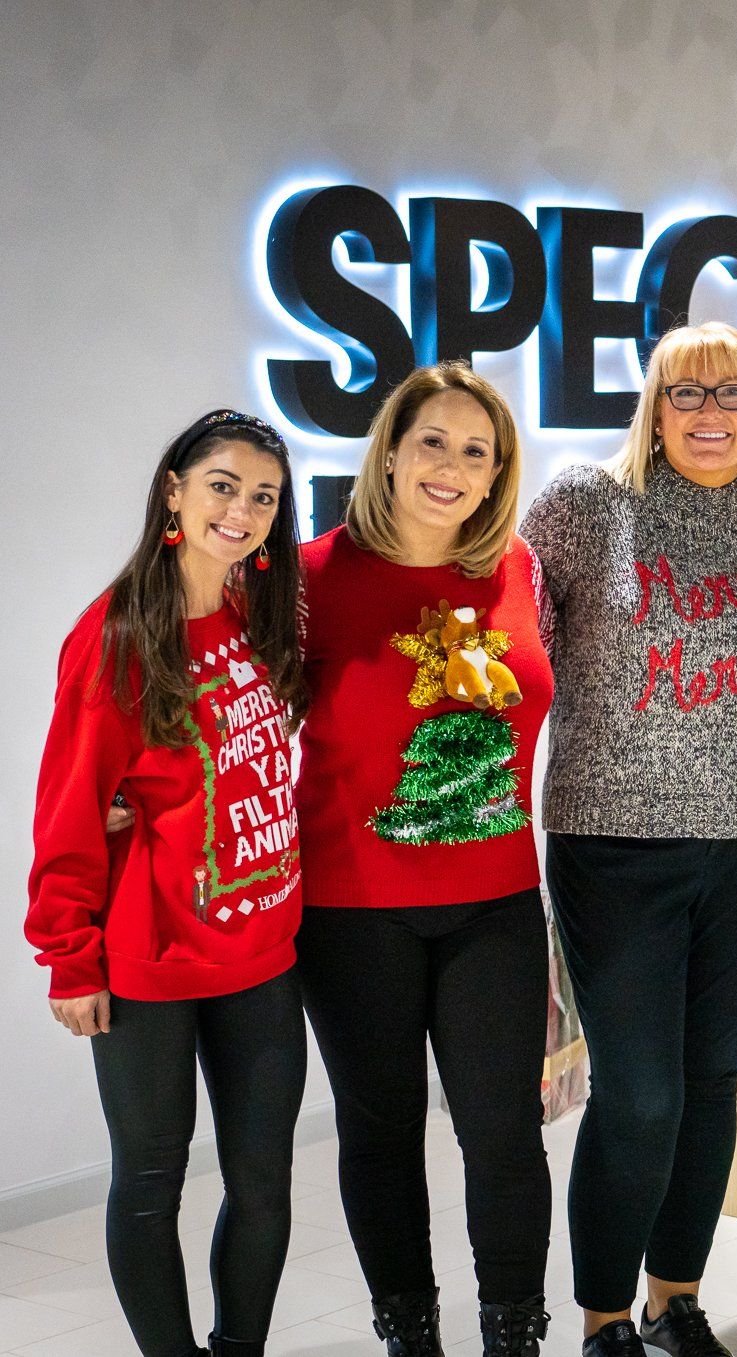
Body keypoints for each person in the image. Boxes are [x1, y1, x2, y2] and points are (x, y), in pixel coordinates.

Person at [520, 321, 737, 1357]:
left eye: (732, 393)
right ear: (654, 407)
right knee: (639, 1098)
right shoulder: (585, 504)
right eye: (686, 392)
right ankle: (604, 1317)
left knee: (710, 1086)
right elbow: (511, 651)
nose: (709, 412)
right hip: (615, 842)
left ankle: (673, 1301)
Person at [27, 410, 308, 1357]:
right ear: (174, 491)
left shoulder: (258, 613)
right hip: (151, 959)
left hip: (263, 952)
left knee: (263, 1182)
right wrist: (70, 957)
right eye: (223, 485)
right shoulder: (118, 636)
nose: (242, 510)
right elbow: (69, 810)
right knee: (150, 1184)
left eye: (263, 496)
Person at [293, 363, 554, 1356]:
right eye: (432, 441)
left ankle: (513, 1334)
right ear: (392, 452)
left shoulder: (516, 567)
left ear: (496, 474)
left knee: (504, 1134)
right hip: (351, 908)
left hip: (496, 901)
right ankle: (409, 1333)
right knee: (381, 1132)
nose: (451, 465)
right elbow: (224, 705)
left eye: (475, 451)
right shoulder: (310, 577)